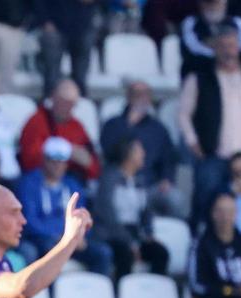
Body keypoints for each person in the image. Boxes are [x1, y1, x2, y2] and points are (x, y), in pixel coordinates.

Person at [178, 21, 241, 221]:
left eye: (231, 46)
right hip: (213, 156)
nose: (228, 52)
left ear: (238, 47)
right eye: (222, 46)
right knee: (207, 207)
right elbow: (184, 114)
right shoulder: (200, 79)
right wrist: (192, 141)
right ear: (215, 48)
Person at [16, 136, 112, 277]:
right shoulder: (29, 183)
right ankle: (49, 296)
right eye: (52, 160)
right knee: (45, 249)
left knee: (102, 253)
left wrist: (78, 236)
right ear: (44, 159)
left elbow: (82, 216)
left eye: (61, 161)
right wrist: (60, 238)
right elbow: (30, 221)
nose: (57, 165)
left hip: (70, 239)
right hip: (43, 238)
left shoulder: (73, 184)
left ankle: (96, 295)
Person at [100, 80, 182, 217]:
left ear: (149, 98)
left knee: (176, 199)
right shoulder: (113, 124)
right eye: (136, 94)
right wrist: (130, 125)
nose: (140, 98)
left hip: (150, 185)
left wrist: (167, 179)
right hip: (119, 185)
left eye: (145, 94)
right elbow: (110, 152)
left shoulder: (158, 129)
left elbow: (168, 158)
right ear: (128, 96)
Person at [92, 138, 171, 276]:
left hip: (135, 235)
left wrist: (149, 235)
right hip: (111, 236)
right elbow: (108, 217)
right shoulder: (109, 180)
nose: (144, 154)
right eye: (140, 151)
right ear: (128, 155)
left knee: (160, 252)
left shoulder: (139, 181)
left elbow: (146, 212)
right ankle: (121, 293)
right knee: (125, 254)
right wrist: (130, 243)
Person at [18, 79, 100, 183]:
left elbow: (93, 167)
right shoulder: (36, 122)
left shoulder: (77, 127)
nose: (67, 108)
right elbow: (28, 160)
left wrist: (88, 163)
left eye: (71, 104)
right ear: (53, 98)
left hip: (70, 182)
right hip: (41, 181)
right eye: (63, 102)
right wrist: (65, 152)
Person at [36, 0, 98, 96]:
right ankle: (50, 105)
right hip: (54, 24)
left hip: (83, 25)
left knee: (80, 77)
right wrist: (44, 21)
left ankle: (80, 106)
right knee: (52, 76)